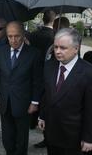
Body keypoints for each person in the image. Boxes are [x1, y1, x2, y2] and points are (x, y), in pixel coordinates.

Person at [39, 28, 92, 155]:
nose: (57, 51)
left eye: (63, 48)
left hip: (73, 137)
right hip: (51, 132)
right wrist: (43, 116)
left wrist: (89, 138)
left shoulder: (90, 74)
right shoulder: (49, 66)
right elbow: (47, 94)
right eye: (55, 47)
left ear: (76, 49)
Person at [0, 21, 43, 155]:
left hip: (23, 103)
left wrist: (35, 102)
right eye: (10, 36)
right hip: (4, 101)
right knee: (7, 138)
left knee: (21, 139)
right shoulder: (0, 51)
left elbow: (37, 81)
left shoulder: (34, 54)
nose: (13, 40)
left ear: (23, 35)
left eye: (17, 36)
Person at [29, 10, 56, 148]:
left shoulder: (34, 35)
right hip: (49, 74)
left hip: (33, 72)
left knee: (34, 98)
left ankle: (32, 122)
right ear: (54, 19)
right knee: (46, 102)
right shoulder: (56, 36)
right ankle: (47, 136)